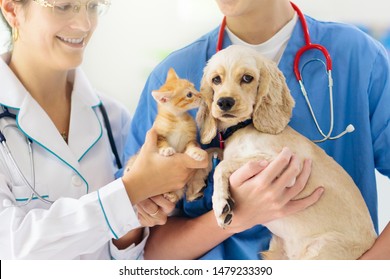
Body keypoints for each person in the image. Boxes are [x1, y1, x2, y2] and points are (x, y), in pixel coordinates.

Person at [125, 0, 390, 259]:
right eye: (217, 81)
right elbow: (144, 250)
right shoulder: (175, 81)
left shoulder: (359, 57)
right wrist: (237, 216)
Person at [0, 0, 207, 259]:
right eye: (64, 6)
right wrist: (131, 190)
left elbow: (130, 258)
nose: (85, 24)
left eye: (92, 5)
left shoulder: (113, 118)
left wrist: (133, 223)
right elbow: (12, 249)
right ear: (12, 10)